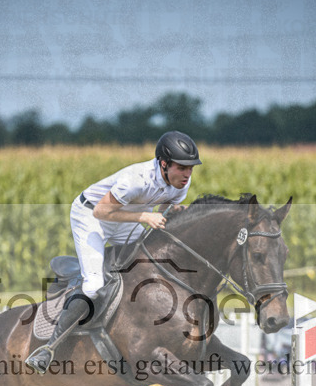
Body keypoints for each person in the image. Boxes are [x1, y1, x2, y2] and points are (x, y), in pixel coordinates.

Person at [25, 131, 202, 373]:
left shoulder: (181, 183)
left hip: (123, 218)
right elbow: (101, 212)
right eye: (182, 167)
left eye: (190, 168)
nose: (187, 174)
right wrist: (143, 216)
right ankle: (48, 348)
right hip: (91, 216)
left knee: (156, 258)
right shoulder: (136, 179)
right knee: (94, 285)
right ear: (164, 163)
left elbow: (164, 209)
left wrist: (169, 216)